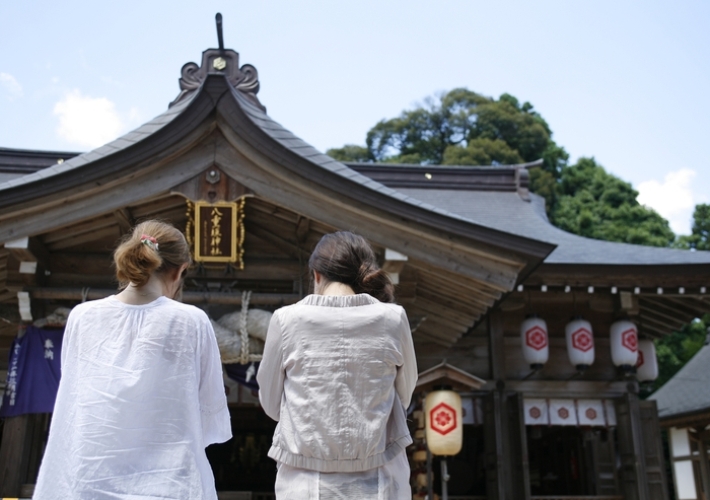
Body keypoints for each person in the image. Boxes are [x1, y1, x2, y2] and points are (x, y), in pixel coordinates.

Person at [33, 220, 231, 500]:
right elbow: (209, 413)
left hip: (88, 480)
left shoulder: (82, 316)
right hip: (171, 482)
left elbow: (75, 394)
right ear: (180, 270)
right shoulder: (192, 322)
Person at [257, 231, 418, 500]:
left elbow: (271, 403)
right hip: (381, 480)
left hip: (305, 484)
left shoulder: (286, 320)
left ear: (316, 275)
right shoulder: (393, 318)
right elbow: (404, 395)